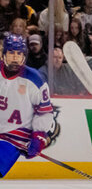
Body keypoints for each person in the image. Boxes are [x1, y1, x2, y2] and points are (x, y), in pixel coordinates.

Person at [0, 35, 57, 179]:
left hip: (13, 137)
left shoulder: (35, 79)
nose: (15, 57)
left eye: (19, 54)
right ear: (4, 54)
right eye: (11, 53)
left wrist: (38, 136)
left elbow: (44, 112)